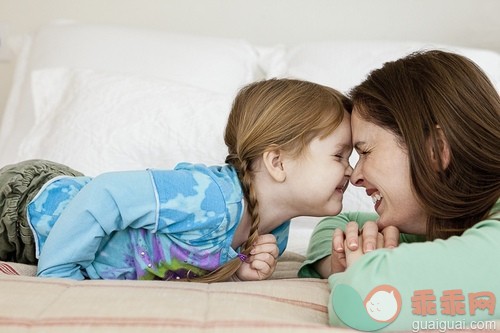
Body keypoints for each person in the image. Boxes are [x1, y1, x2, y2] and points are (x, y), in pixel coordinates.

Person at [0, 78, 354, 282]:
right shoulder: (207, 197)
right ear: (277, 162)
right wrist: (59, 273)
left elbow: (192, 262)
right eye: (340, 155)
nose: (351, 170)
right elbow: (104, 194)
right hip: (26, 207)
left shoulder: (271, 229)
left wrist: (238, 272)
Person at [299, 50, 500, 331]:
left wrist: (363, 269)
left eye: (365, 151)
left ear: (435, 149)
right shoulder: (447, 223)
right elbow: (336, 225)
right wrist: (347, 256)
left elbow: (359, 305)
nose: (354, 176)